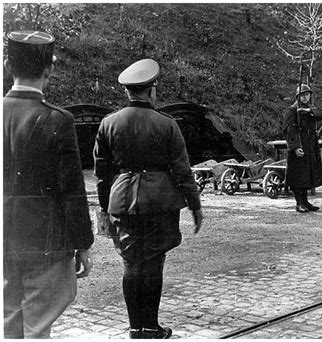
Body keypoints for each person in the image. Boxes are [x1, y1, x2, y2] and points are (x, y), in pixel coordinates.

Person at [93, 59, 203, 339]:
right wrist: (195, 205)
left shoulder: (108, 123)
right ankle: (151, 327)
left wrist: (105, 208)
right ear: (151, 91)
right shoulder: (166, 124)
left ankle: (134, 328)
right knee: (153, 263)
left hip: (122, 201)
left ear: (127, 92)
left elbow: (102, 174)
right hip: (160, 202)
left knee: (131, 264)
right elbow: (182, 170)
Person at [3, 30, 94, 338]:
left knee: (8, 324)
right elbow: (72, 190)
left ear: (6, 65)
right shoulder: (58, 120)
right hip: (45, 241)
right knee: (37, 329)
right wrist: (82, 244)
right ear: (50, 69)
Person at [283, 84, 322, 213]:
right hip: (299, 146)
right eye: (302, 95)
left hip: (310, 145)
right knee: (298, 176)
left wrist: (308, 111)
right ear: (298, 96)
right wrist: (295, 146)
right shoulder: (292, 110)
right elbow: (289, 130)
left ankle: (305, 201)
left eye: (307, 94)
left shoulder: (308, 109)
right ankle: (299, 202)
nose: (305, 97)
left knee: (307, 174)